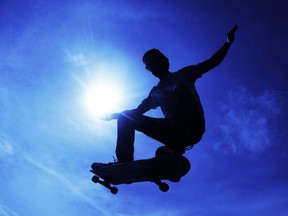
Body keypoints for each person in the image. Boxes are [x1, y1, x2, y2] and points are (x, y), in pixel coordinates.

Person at [103, 25, 238, 163]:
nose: (150, 67)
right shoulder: (156, 91)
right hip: (169, 130)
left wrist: (228, 43)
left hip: (192, 128)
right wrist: (116, 116)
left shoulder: (184, 74)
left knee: (179, 89)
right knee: (127, 117)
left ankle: (175, 148)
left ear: (163, 61)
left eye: (152, 62)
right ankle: (124, 163)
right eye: (147, 66)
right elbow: (138, 112)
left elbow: (212, 62)